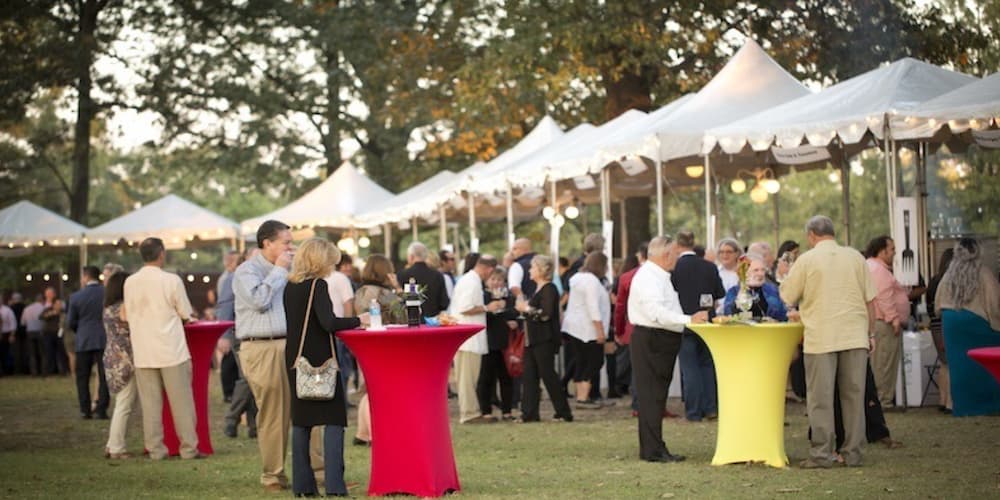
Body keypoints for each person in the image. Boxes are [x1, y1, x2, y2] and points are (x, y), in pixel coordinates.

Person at [780, 215, 875, 468]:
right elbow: (870, 300)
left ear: (811, 235)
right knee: (854, 397)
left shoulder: (806, 260)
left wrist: (786, 274)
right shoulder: (856, 256)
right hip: (855, 334)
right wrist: (871, 333)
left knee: (820, 398)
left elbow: (788, 295)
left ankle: (822, 453)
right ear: (833, 233)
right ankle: (853, 453)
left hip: (821, 336)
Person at [284, 238, 365, 497]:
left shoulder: (290, 285)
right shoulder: (318, 285)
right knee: (333, 421)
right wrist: (357, 320)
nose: (332, 266)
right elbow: (328, 322)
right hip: (321, 361)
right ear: (320, 260)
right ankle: (334, 485)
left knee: (302, 423)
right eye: (330, 260)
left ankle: (303, 486)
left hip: (296, 358)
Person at [629, 236, 709, 462]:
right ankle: (652, 450)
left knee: (656, 396)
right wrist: (688, 319)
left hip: (659, 338)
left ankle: (655, 447)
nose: (676, 258)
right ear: (665, 255)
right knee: (651, 396)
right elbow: (657, 312)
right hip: (652, 338)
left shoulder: (658, 276)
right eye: (674, 254)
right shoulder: (648, 277)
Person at [124, 237, 202, 460]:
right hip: (171, 350)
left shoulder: (130, 282)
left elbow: (128, 315)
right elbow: (186, 313)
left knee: (150, 407)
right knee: (182, 404)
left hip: (143, 351)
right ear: (162, 254)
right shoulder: (171, 280)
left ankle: (156, 450)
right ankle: (188, 449)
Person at [233, 220, 297, 491]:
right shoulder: (247, 271)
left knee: (306, 409)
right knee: (273, 412)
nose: (290, 248)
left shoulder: (290, 270)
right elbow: (260, 301)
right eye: (286, 242)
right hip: (261, 347)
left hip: (291, 344)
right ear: (267, 243)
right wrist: (280, 271)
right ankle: (273, 475)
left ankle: (317, 472)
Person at [934, 237, 1000, 417]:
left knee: (959, 366)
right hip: (977, 322)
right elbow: (994, 303)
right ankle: (987, 404)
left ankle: (963, 406)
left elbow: (938, 302)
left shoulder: (949, 274)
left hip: (952, 323)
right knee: (985, 363)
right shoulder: (984, 273)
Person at [671, 230, 725, 422]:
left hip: (684, 322)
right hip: (707, 321)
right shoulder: (709, 267)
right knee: (707, 365)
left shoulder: (674, 269)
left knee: (689, 367)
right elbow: (719, 294)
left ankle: (693, 411)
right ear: (694, 244)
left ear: (677, 245)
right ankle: (710, 407)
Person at [352, 254, 405, 446]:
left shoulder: (360, 291)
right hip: (384, 344)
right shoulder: (384, 294)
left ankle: (362, 432)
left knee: (369, 388)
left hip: (364, 343)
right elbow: (404, 316)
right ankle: (375, 434)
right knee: (379, 391)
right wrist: (398, 288)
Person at [515, 255, 573, 423]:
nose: (529, 271)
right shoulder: (538, 289)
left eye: (532, 267)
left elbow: (546, 314)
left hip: (544, 339)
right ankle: (529, 413)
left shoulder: (549, 289)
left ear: (541, 270)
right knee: (529, 376)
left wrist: (525, 308)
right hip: (532, 339)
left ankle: (563, 412)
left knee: (548, 375)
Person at [451, 253, 504, 424]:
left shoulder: (469, 280)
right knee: (468, 378)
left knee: (468, 377)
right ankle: (469, 413)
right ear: (488, 269)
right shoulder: (472, 282)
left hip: (467, 338)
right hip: (468, 339)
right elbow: (465, 308)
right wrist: (487, 307)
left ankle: (471, 410)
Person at [864, 236, 911, 408]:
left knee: (881, 362)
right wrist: (894, 319)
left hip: (880, 322)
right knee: (884, 362)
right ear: (882, 251)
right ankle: (883, 400)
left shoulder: (873, 267)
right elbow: (883, 297)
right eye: (892, 249)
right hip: (884, 323)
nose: (894, 253)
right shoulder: (878, 270)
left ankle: (881, 398)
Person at [562, 252, 611, 409]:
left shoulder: (577, 278)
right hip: (588, 329)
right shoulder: (591, 282)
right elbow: (593, 307)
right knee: (594, 361)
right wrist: (600, 330)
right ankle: (583, 397)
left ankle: (581, 395)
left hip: (575, 326)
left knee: (581, 361)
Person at [220, 249, 258, 439]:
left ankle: (253, 425)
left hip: (255, 333)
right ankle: (231, 419)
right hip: (238, 333)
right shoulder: (234, 277)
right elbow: (225, 305)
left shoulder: (263, 276)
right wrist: (225, 335)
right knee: (247, 378)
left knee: (253, 379)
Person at [102, 271, 138, 459]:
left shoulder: (108, 308)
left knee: (121, 402)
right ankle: (117, 447)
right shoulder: (125, 308)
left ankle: (111, 444)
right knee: (124, 405)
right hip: (126, 360)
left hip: (111, 359)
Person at [68, 266, 110, 419]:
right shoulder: (106, 293)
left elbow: (71, 321)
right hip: (103, 338)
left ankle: (85, 410)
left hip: (84, 339)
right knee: (104, 375)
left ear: (85, 277)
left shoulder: (76, 296)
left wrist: (80, 331)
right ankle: (101, 409)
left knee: (82, 376)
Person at [478, 268, 517, 420]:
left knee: (506, 377)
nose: (496, 283)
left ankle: (507, 411)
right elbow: (483, 317)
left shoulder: (507, 298)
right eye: (493, 279)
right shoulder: (483, 297)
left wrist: (510, 320)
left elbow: (513, 313)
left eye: (499, 280)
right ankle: (485, 410)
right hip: (488, 341)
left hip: (505, 343)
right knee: (486, 377)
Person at [614, 243, 648, 414]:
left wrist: (619, 330)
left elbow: (620, 307)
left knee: (637, 368)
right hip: (652, 327)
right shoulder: (664, 276)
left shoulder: (627, 277)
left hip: (632, 327)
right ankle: (643, 404)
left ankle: (638, 404)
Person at [926, 248, 954, 413]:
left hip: (934, 324)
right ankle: (949, 402)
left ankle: (942, 400)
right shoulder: (948, 281)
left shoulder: (934, 280)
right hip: (944, 324)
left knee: (944, 364)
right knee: (950, 364)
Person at [722, 254, 788, 321]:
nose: (761, 274)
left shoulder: (772, 290)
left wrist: (760, 295)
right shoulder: (734, 291)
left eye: (763, 270)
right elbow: (729, 314)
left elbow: (782, 315)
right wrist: (743, 290)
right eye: (756, 270)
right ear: (745, 272)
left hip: (768, 330)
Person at [396, 241, 450, 319]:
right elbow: (444, 303)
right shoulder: (437, 275)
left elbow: (399, 303)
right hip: (433, 322)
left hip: (411, 321)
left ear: (411, 256)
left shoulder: (402, 275)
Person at [217, 250, 240, 403]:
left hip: (233, 325)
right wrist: (224, 334)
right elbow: (224, 306)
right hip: (231, 326)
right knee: (229, 359)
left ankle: (231, 393)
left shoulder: (229, 277)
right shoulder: (228, 278)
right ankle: (229, 393)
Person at [40, 286, 66, 375]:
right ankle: (48, 371)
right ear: (54, 304)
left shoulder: (63, 311)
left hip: (60, 334)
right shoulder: (48, 310)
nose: (59, 305)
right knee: (49, 353)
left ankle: (62, 370)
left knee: (61, 353)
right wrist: (52, 313)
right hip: (48, 334)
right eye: (57, 304)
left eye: (60, 304)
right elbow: (41, 317)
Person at [21, 294, 45, 376]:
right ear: (41, 300)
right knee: (42, 353)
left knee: (32, 354)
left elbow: (23, 322)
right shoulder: (43, 308)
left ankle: (34, 372)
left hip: (30, 332)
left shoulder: (27, 309)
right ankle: (43, 371)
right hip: (40, 332)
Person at [0, 298, 15, 375]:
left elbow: (12, 323)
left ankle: (6, 371)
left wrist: (12, 335)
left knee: (5, 353)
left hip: (5, 334)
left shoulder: (7, 310)